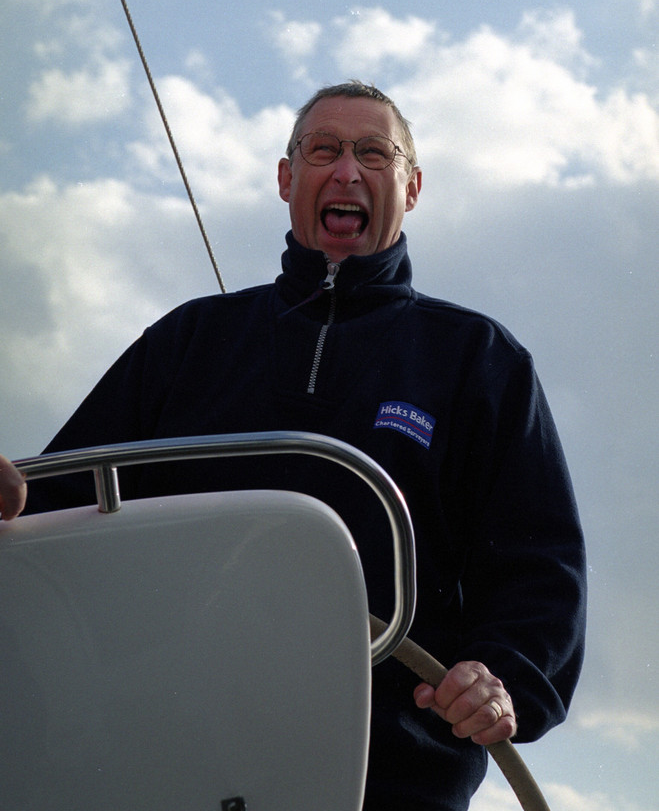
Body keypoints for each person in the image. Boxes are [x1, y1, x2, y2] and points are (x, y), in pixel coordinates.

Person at [0, 81, 587, 810]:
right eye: (323, 150)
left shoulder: (479, 360)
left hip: (386, 775)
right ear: (286, 179)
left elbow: (539, 568)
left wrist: (501, 675)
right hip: (159, 761)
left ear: (412, 186)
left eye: (374, 153)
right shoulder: (187, 342)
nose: (346, 171)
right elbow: (51, 516)